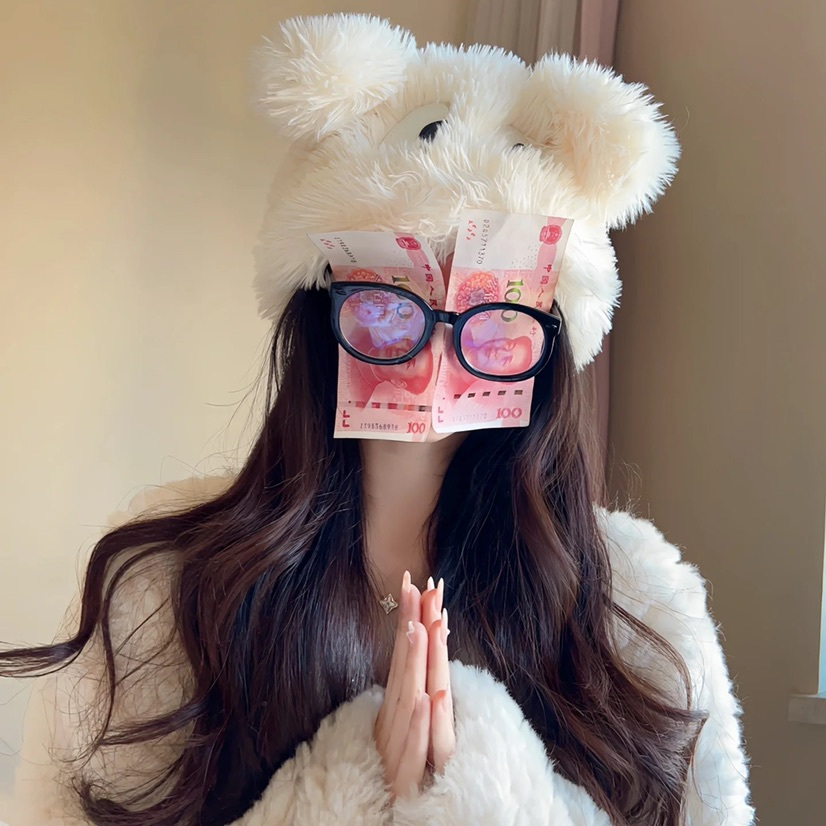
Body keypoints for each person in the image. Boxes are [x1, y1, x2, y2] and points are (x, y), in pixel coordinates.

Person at [1, 14, 754, 826]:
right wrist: (346, 788)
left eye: (491, 313)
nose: (437, 350)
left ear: (544, 337)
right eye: (392, 302)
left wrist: (480, 794)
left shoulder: (635, 608)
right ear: (321, 307)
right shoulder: (162, 594)